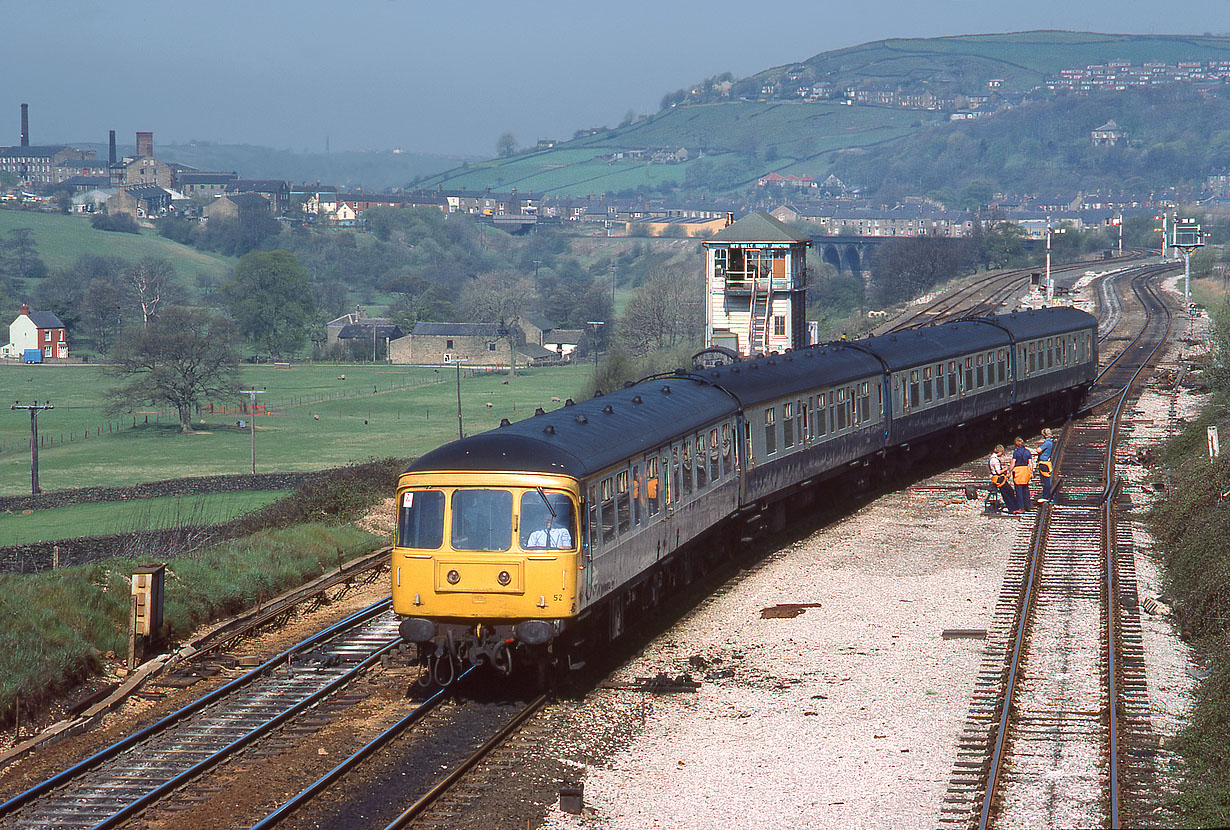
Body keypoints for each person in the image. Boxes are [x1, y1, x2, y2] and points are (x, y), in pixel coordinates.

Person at [989, 445, 1016, 513]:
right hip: (999, 479)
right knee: (1008, 492)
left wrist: (1001, 467)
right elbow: (998, 472)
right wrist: (1005, 469)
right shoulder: (995, 460)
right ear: (999, 451)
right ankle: (1012, 508)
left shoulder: (992, 458)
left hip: (996, 478)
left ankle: (1012, 508)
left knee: (1007, 492)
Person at [1011, 436, 1033, 513]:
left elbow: (1013, 463)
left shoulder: (1016, 452)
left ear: (1016, 445)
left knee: (1019, 490)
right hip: (1025, 470)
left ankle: (1021, 507)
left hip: (1018, 471)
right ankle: (1028, 506)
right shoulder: (1027, 452)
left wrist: (1009, 471)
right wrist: (1031, 472)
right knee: (1026, 489)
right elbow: (1030, 463)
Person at [1033, 428, 1055, 503]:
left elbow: (1038, 450)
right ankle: (1046, 496)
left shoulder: (1047, 442)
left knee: (1045, 480)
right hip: (1046, 463)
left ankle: (1046, 496)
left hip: (1044, 463)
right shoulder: (1050, 442)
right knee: (1045, 480)